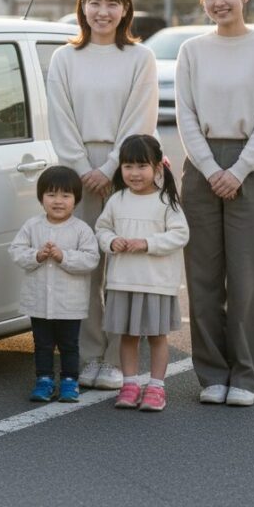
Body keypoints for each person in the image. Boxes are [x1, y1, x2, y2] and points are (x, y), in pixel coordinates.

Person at [174, 0, 254, 407]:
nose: (218, 2)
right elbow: (184, 116)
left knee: (248, 277)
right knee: (202, 276)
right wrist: (209, 169)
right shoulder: (192, 50)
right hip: (200, 167)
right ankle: (212, 373)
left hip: (250, 165)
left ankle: (244, 374)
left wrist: (237, 170)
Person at [46, 0, 158, 390]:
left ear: (126, 9)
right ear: (82, 7)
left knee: (121, 267)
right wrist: (81, 168)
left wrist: (111, 168)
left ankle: (115, 358)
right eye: (94, 2)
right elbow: (60, 117)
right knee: (85, 266)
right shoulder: (64, 58)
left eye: (112, 3)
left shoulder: (139, 58)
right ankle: (89, 353)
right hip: (77, 170)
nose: (102, 11)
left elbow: (140, 116)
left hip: (128, 168)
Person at [93, 135, 188, 412]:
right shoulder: (116, 200)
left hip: (156, 283)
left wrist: (147, 244)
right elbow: (102, 229)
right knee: (127, 335)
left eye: (142, 166)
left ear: (158, 167)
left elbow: (181, 234)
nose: (134, 173)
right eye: (128, 166)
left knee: (157, 336)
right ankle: (130, 383)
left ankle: (157, 387)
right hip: (123, 281)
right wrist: (111, 241)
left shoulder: (166, 201)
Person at [8, 166, 101, 403]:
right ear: (41, 198)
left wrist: (63, 257)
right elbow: (16, 251)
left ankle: (70, 381)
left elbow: (91, 258)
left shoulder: (81, 229)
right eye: (51, 195)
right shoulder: (32, 226)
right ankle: (44, 381)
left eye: (65, 195)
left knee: (69, 345)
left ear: (76, 200)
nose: (58, 201)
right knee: (42, 344)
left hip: (69, 302)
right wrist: (36, 256)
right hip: (38, 301)